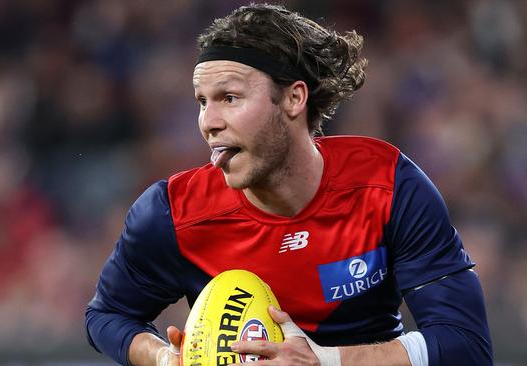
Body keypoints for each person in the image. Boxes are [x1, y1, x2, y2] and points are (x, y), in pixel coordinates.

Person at [85, 3, 493, 366]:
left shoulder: (388, 185)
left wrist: (324, 361)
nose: (209, 122)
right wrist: (163, 357)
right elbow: (107, 315)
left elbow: (465, 345)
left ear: (295, 99)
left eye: (229, 97)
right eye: (202, 101)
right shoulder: (171, 213)